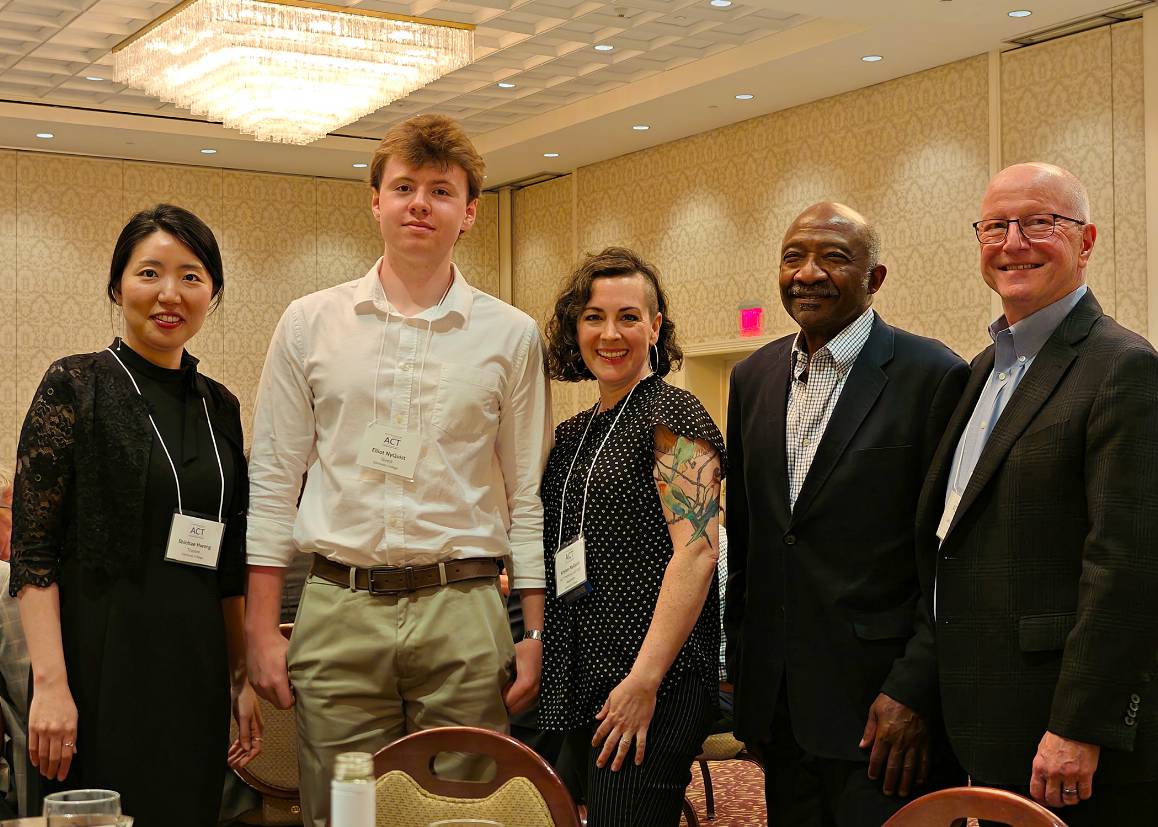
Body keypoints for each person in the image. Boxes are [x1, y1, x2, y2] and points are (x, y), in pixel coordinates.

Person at [244, 114, 552, 827]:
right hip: (338, 606)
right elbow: (273, 481)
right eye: (404, 186)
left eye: (441, 191)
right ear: (374, 200)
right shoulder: (309, 322)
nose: (420, 203)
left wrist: (533, 631)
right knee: (341, 810)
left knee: (464, 810)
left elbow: (527, 494)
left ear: (469, 211)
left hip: (465, 607)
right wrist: (261, 631)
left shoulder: (510, 333)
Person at [918, 162, 1158, 823]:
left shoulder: (1122, 367)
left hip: (1066, 737)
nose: (1013, 242)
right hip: (982, 716)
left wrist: (1081, 724)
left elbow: (1126, 565)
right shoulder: (980, 373)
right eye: (995, 225)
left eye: (1040, 222)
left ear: (1087, 242)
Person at [9, 204, 262, 826]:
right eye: (150, 273)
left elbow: (229, 561)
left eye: (191, 276)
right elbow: (32, 551)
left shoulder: (219, 405)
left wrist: (240, 678)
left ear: (214, 292)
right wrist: (50, 685)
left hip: (195, 667)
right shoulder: (76, 383)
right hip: (99, 665)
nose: (169, 294)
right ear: (117, 285)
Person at [724, 202, 968, 825]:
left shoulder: (932, 374)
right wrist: (749, 684)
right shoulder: (752, 376)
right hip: (780, 711)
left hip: (883, 719)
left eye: (834, 257)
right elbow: (751, 541)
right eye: (793, 257)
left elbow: (952, 557)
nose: (808, 273)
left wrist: (915, 689)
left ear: (875, 277)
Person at [539, 247, 725, 826]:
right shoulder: (573, 433)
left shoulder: (675, 415)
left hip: (652, 676)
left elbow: (696, 554)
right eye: (594, 317)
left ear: (655, 326)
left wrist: (644, 680)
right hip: (579, 666)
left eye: (628, 316)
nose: (610, 334)